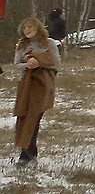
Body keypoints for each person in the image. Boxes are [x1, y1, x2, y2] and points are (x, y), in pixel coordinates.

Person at [12, 18, 60, 168]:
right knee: (23, 117)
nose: (27, 29)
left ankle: (28, 155)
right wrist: (27, 65)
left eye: (30, 26)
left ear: (38, 27)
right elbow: (16, 64)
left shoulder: (49, 43)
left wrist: (40, 63)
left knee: (34, 118)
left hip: (42, 85)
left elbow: (56, 63)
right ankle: (27, 153)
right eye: (25, 27)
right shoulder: (22, 45)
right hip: (26, 86)